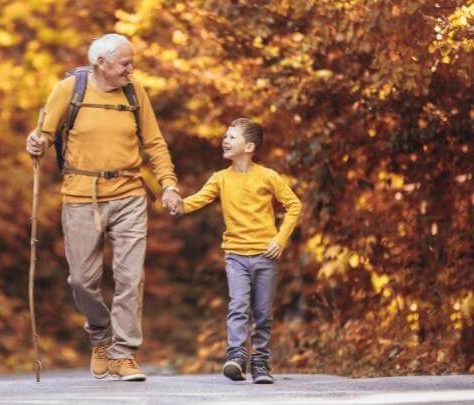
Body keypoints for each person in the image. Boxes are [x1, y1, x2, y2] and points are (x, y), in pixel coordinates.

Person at [25, 33, 182, 381]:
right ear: (101, 64)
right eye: (125, 63)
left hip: (129, 195)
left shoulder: (134, 91)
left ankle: (124, 354)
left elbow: (154, 142)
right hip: (81, 196)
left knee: (130, 277)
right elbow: (44, 135)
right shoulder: (69, 89)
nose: (131, 68)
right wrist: (35, 142)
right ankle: (100, 335)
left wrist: (169, 184)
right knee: (81, 280)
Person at [173, 118, 302, 384]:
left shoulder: (268, 176)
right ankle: (236, 356)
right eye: (225, 136)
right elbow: (196, 200)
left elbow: (294, 206)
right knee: (239, 306)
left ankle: (260, 363)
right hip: (236, 256)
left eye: (233, 137)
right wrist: (178, 204)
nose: (225, 140)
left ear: (250, 146)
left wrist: (280, 239)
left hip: (266, 256)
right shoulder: (220, 178)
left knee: (263, 313)